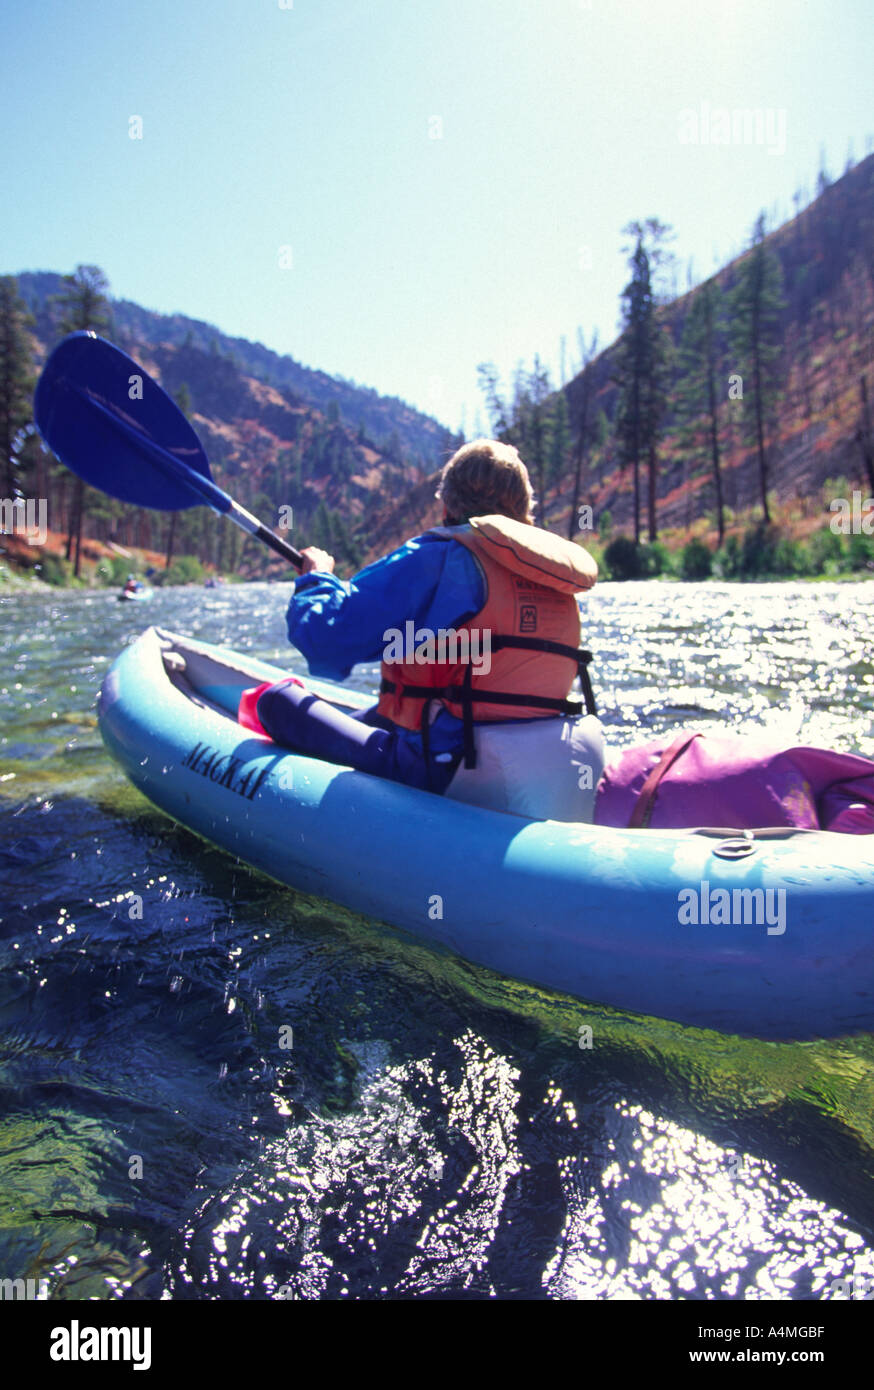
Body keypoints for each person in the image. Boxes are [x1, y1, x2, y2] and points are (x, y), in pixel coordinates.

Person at [238, 439, 605, 820]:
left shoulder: (441, 557)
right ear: (525, 511)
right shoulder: (555, 578)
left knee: (277, 701)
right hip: (549, 763)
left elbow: (326, 644)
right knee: (380, 713)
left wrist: (317, 581)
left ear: (446, 505)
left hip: (447, 768)